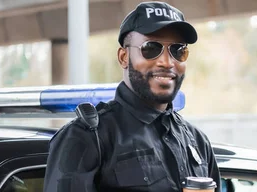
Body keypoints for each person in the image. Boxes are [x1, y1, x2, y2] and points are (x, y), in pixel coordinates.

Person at [43, 2, 221, 192]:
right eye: (151, 48)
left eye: (178, 50)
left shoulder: (197, 141)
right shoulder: (85, 138)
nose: (167, 62)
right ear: (123, 57)